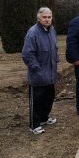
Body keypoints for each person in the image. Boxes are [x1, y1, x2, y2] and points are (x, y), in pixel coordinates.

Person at [22, 7, 59, 135]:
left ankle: (44, 118)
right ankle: (34, 124)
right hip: (38, 75)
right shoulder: (32, 33)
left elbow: (54, 48)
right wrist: (37, 68)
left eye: (49, 17)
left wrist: (56, 60)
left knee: (49, 97)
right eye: (44, 17)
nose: (47, 20)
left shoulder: (52, 30)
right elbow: (27, 54)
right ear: (39, 18)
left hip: (50, 73)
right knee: (36, 101)